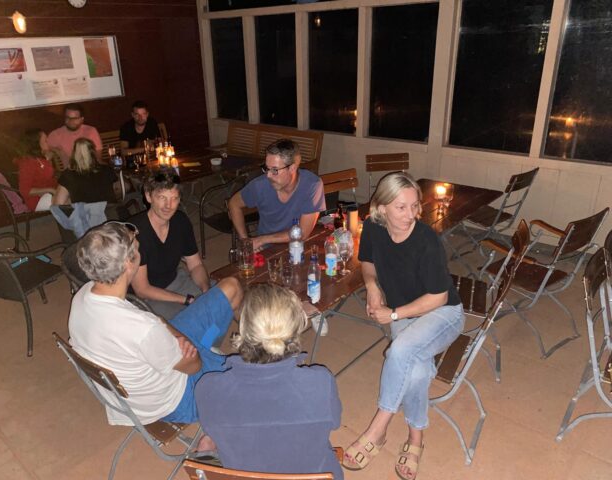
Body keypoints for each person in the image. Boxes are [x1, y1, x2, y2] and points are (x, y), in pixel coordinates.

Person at [69, 222, 242, 446]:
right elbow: (194, 365)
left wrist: (167, 331)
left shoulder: (83, 295)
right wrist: (174, 336)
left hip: (152, 368)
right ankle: (215, 428)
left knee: (231, 288)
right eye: (136, 247)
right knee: (252, 377)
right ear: (128, 264)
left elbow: (157, 330)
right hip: (177, 399)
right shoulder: (143, 328)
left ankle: (207, 345)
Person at [343, 172, 464, 480]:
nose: (411, 214)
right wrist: (372, 286)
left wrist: (394, 315)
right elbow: (367, 261)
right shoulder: (373, 227)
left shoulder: (426, 240)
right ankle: (416, 439)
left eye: (415, 206)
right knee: (418, 371)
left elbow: (438, 297)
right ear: (381, 208)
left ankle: (377, 429)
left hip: (443, 314)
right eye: (401, 207)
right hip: (406, 314)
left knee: (400, 352)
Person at [195, 283, 343, 479]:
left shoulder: (208, 388)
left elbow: (212, 430)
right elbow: (335, 423)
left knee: (206, 442)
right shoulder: (320, 382)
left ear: (244, 328)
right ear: (295, 330)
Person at [128, 173, 210, 321]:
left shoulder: (180, 221)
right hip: (148, 297)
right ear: (148, 196)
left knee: (223, 297)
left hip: (176, 280)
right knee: (188, 320)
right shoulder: (135, 233)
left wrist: (206, 290)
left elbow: (195, 265)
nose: (168, 205)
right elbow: (142, 289)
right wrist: (185, 300)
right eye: (162, 197)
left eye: (174, 198)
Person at [228, 139, 325, 251]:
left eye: (275, 170)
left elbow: (302, 233)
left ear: (292, 168)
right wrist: (245, 240)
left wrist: (261, 240)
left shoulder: (312, 185)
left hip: (299, 245)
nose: (268, 175)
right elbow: (234, 204)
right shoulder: (260, 185)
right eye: (267, 168)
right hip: (267, 249)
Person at [52, 138, 118, 205]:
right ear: (93, 152)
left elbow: (58, 203)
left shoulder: (68, 175)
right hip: (111, 210)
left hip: (86, 211)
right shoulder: (106, 169)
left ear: (74, 154)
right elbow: (119, 189)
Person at [46, 103, 102, 169]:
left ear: (82, 119)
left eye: (75, 118)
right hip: (70, 171)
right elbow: (45, 153)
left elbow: (98, 157)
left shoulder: (91, 131)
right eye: (68, 117)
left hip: (90, 169)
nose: (71, 121)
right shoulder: (56, 134)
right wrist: (56, 151)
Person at [13, 129, 58, 211]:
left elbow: (48, 178)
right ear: (36, 144)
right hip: (37, 201)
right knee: (72, 200)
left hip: (49, 194)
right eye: (45, 140)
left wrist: (48, 160)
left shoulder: (41, 159)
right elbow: (25, 190)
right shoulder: (27, 163)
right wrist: (50, 190)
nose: (48, 142)